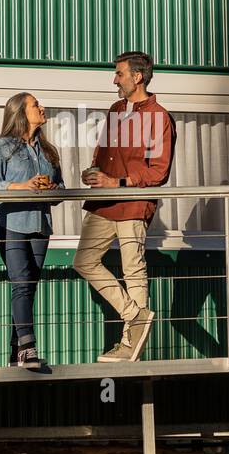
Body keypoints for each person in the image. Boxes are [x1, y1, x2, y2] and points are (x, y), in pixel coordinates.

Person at [74, 51, 176, 361]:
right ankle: (136, 314)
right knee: (84, 260)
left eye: (119, 73)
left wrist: (117, 183)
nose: (114, 79)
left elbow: (158, 172)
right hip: (103, 202)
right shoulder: (115, 109)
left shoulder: (159, 116)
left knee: (134, 270)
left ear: (137, 77)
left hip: (133, 202)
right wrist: (93, 172)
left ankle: (130, 346)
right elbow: (102, 152)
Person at [0, 93, 64, 370]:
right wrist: (21, 186)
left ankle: (15, 351)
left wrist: (53, 190)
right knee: (21, 284)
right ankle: (28, 349)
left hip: (40, 224)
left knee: (28, 289)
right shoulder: (2, 146)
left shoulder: (50, 151)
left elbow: (61, 191)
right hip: (11, 223)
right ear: (20, 112)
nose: (43, 108)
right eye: (36, 105)